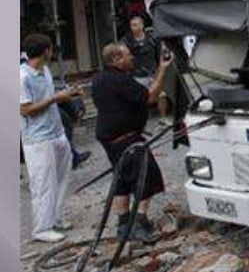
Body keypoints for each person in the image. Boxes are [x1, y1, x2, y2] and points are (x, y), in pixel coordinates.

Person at [91, 42, 174, 244]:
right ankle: (139, 222)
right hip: (124, 139)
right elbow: (150, 96)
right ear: (116, 60)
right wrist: (163, 69)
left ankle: (123, 224)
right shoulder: (120, 80)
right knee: (147, 176)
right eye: (127, 55)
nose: (131, 58)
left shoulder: (99, 79)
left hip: (112, 136)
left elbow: (116, 107)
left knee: (122, 179)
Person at [19, 34, 82, 242]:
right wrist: (56, 98)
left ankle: (54, 217)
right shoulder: (22, 77)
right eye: (51, 49)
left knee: (62, 178)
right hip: (37, 139)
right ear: (46, 51)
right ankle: (41, 228)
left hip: (56, 132)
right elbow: (25, 110)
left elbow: (49, 96)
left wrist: (68, 93)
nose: (52, 52)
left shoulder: (45, 70)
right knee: (42, 184)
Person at [122, 16, 161, 81]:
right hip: (135, 74)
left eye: (135, 25)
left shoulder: (152, 39)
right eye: (131, 25)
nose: (133, 27)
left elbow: (158, 55)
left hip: (152, 73)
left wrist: (158, 70)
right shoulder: (126, 40)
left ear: (142, 25)